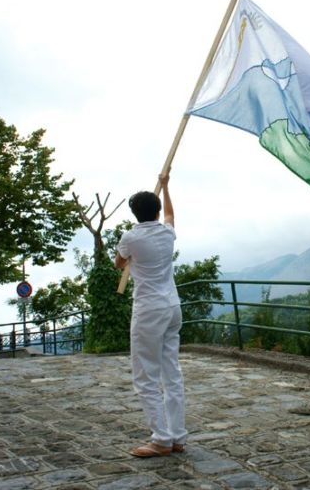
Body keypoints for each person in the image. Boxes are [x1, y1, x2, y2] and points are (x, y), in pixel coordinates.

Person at [115, 173, 187, 457]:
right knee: (172, 373)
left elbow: (119, 262)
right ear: (156, 210)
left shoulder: (130, 237)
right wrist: (167, 186)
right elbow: (171, 213)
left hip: (148, 310)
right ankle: (178, 436)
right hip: (172, 307)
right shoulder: (167, 233)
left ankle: (161, 439)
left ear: (134, 213)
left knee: (145, 375)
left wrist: (127, 255)